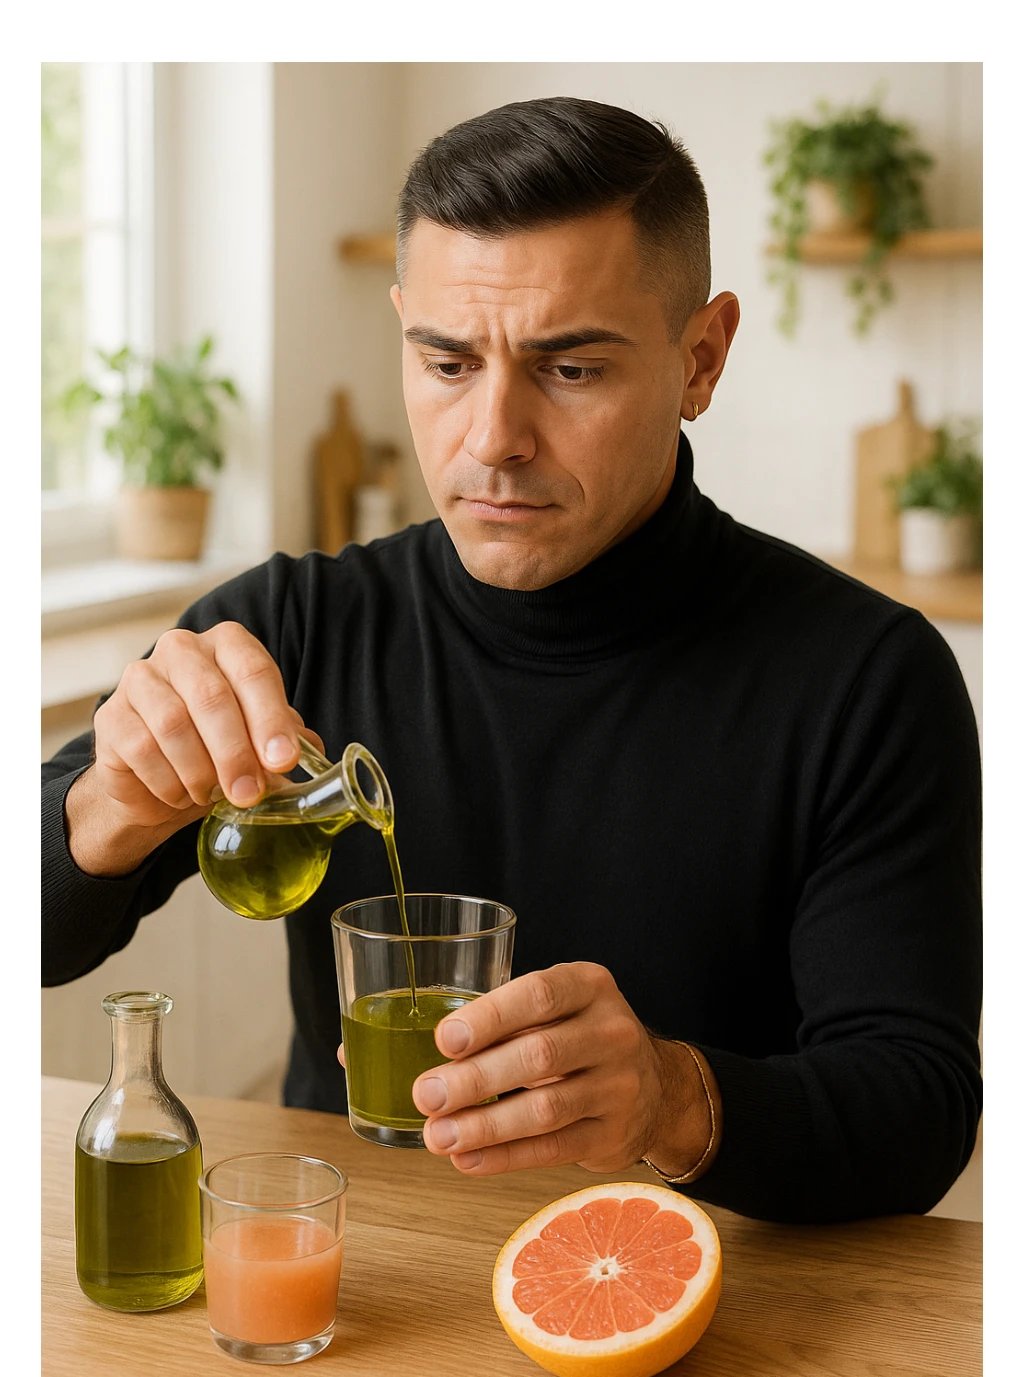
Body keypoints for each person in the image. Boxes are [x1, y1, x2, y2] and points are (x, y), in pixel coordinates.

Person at [42, 97, 982, 1223]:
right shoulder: (292, 625)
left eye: (570, 370)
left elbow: (919, 1112)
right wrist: (108, 806)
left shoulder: (866, 679)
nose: (492, 439)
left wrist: (672, 1100)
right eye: (447, 362)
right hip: (362, 1268)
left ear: (700, 358)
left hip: (700, 1285)